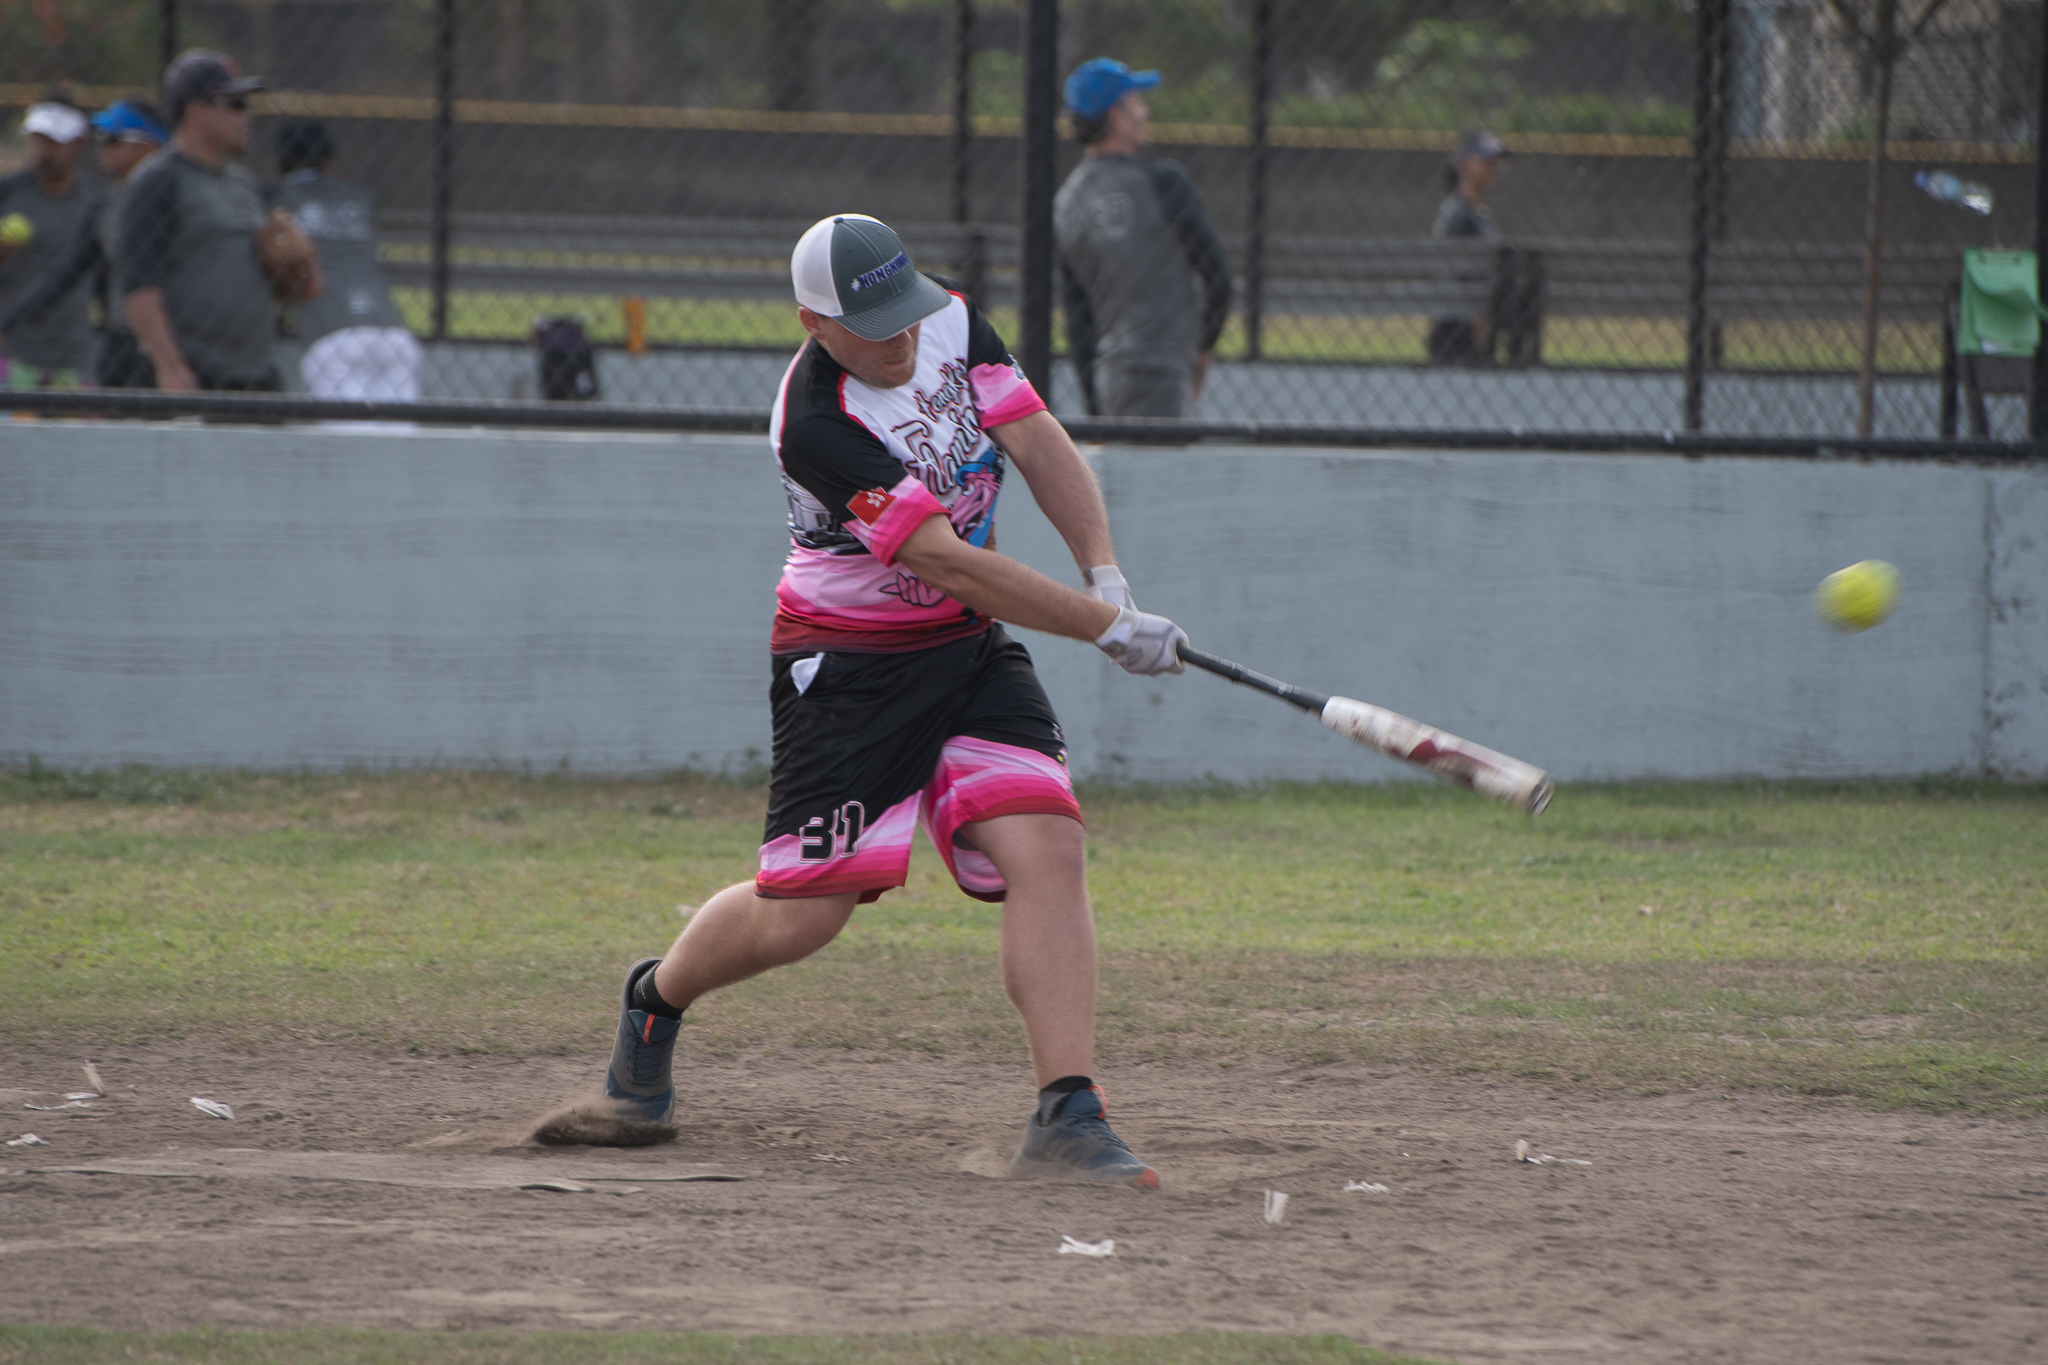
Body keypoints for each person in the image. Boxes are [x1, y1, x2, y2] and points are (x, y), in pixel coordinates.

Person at [590, 213, 1189, 1189]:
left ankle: (1068, 1113)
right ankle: (655, 1001)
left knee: (1048, 841)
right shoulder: (816, 423)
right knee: (803, 919)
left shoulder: (949, 319)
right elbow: (945, 560)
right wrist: (1100, 629)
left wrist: (1107, 578)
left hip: (965, 648)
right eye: (874, 328)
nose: (902, 339)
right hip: (848, 670)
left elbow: (1035, 438)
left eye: (906, 314)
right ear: (813, 322)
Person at [120, 49, 318, 393]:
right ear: (195, 110)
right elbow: (139, 285)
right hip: (196, 370)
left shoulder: (241, 182)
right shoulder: (160, 179)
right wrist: (170, 367)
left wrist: (290, 269)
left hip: (254, 373)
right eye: (235, 104)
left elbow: (280, 285)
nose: (246, 116)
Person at [1054, 58, 1232, 418]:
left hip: (1109, 377)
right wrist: (1203, 351)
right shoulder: (1164, 182)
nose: (1143, 111)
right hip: (1166, 370)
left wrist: (1094, 408)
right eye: (1135, 102)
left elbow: (1078, 317)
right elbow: (1220, 282)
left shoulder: (1066, 202)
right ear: (1117, 118)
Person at [0, 99, 168, 389]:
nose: (104, 147)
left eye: (114, 140)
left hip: (164, 339)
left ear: (148, 145)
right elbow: (63, 274)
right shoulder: (107, 204)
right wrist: (8, 322)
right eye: (102, 139)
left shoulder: (166, 198)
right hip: (117, 343)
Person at [270, 119, 420, 403]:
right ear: (329, 161)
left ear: (280, 162)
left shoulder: (276, 200)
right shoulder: (359, 197)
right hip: (391, 330)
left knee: (346, 430)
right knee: (399, 430)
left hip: (330, 335)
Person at [0, 94, 101, 390]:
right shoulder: (8, 193)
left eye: (54, 143)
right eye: (37, 141)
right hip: (14, 351)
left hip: (76, 353)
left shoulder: (95, 201)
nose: (43, 152)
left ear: (79, 143)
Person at [1427, 129, 1508, 367]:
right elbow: (1464, 278)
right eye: (1486, 161)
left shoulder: (1476, 211)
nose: (1495, 168)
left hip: (1471, 322)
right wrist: (1482, 336)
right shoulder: (1460, 215)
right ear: (1464, 165)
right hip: (1460, 329)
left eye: (1496, 162)